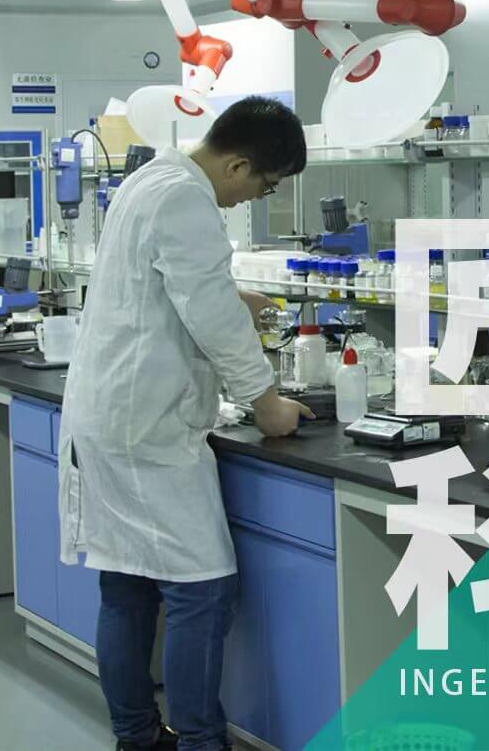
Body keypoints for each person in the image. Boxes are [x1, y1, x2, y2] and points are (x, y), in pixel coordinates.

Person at [58, 95, 313, 751]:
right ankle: (201, 741)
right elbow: (212, 319)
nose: (256, 197)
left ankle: (138, 736)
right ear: (238, 165)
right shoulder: (186, 199)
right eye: (266, 184)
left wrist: (232, 293)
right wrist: (265, 401)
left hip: (109, 413)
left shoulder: (153, 177)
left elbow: (166, 281)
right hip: (145, 427)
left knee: (127, 586)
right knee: (202, 588)